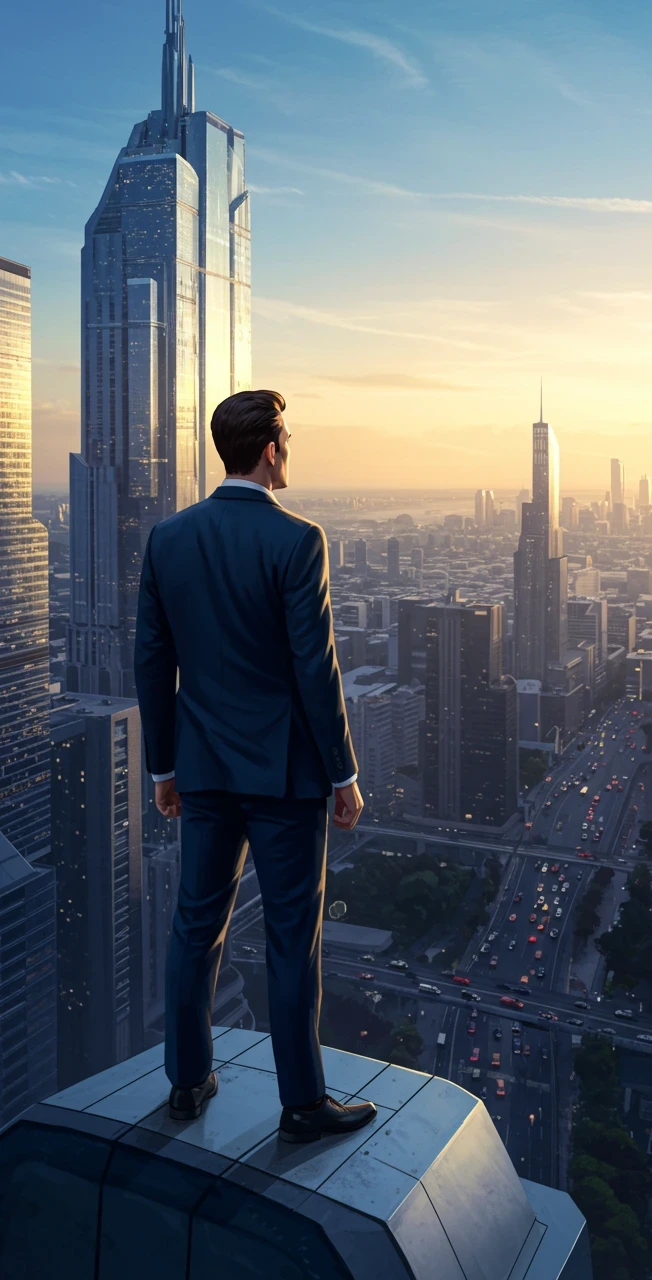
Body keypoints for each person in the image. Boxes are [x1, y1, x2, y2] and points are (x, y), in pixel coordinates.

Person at [134, 389, 377, 1145]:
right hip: (285, 777)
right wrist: (343, 774)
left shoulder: (167, 539)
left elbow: (152, 660)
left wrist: (161, 769)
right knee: (289, 937)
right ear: (271, 450)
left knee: (193, 926)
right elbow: (316, 667)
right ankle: (302, 1104)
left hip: (202, 769)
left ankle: (184, 1082)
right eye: (289, 439)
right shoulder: (299, 539)